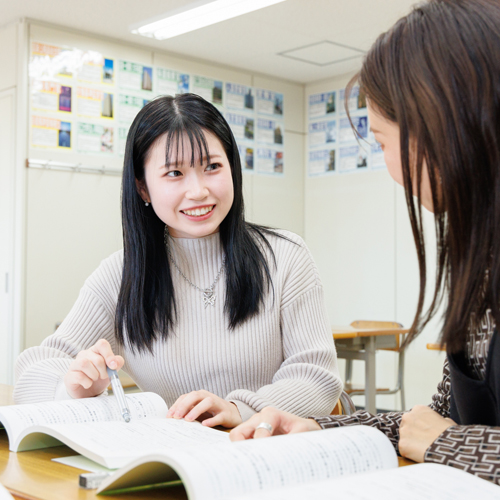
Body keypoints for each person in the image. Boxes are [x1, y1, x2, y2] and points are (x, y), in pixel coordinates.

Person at [230, 0, 500, 486]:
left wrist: (446, 443)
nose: (390, 169)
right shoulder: (480, 262)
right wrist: (321, 427)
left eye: (381, 142)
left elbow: (437, 433)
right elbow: (429, 419)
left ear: (439, 127)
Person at [14, 93, 342, 428]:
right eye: (174, 173)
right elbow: (31, 376)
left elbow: (318, 380)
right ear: (143, 188)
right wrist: (73, 387)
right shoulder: (121, 274)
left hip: (266, 453)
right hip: (174, 461)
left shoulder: (284, 256)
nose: (198, 190)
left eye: (212, 167)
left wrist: (237, 409)